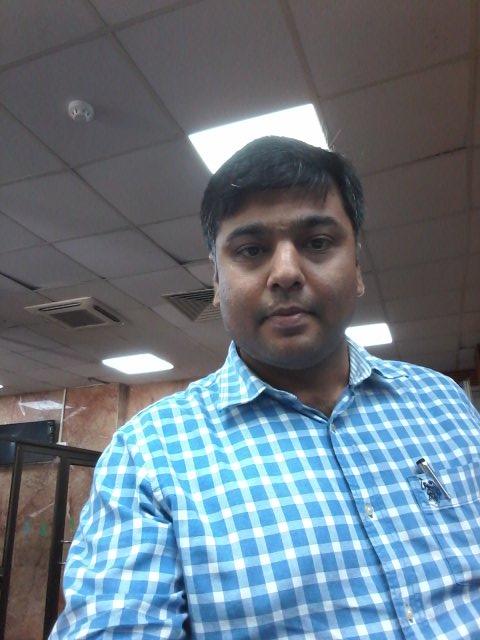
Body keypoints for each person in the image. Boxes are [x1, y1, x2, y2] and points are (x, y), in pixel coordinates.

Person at [50, 137, 480, 639]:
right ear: (216, 280)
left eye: (318, 242)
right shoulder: (147, 456)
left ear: (358, 268)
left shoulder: (445, 404)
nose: (286, 273)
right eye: (251, 250)